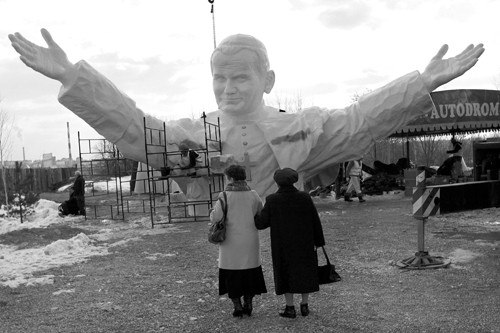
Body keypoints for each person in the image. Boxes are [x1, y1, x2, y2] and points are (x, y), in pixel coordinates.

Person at [8, 29, 484, 201]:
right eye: (221, 78)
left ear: (267, 80)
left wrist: (420, 83)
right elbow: (136, 129)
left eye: (240, 77)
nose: (228, 88)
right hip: (222, 242)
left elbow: (360, 121)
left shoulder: (302, 127)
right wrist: (73, 78)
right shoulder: (198, 133)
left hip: (283, 237)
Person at [255, 168, 325, 318]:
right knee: (305, 271)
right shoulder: (305, 197)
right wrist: (319, 241)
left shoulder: (272, 199)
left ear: (277, 181)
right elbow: (315, 220)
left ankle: (290, 307)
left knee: (285, 273)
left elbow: (261, 223)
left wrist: (254, 214)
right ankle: (304, 306)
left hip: (283, 245)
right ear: (294, 180)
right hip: (304, 242)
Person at [209, 164, 266, 317]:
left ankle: (237, 307)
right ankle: (248, 303)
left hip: (230, 242)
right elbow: (260, 213)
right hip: (250, 239)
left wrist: (212, 212)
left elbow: (216, 217)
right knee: (250, 271)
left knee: (231, 273)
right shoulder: (253, 194)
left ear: (231, 178)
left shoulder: (225, 195)